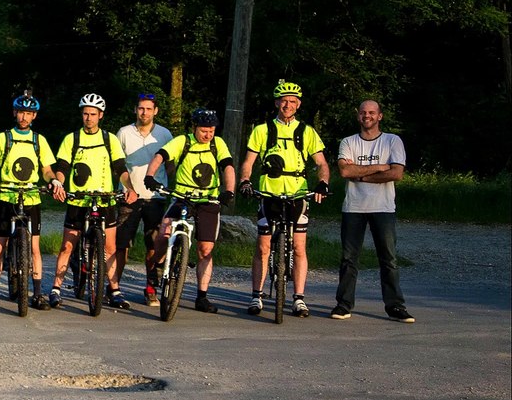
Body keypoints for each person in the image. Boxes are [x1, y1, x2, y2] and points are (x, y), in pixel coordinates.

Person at [237, 80, 331, 318]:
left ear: (298, 105)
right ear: (277, 103)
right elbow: (248, 161)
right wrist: (245, 181)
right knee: (263, 246)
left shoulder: (307, 131)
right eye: (283, 101)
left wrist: (323, 183)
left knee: (299, 247)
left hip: (298, 194)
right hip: (269, 193)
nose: (287, 105)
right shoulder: (262, 130)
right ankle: (256, 295)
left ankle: (298, 298)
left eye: (292, 102)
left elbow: (321, 163)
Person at [0, 90, 62, 309]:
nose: (24, 117)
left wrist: (53, 182)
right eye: (21, 112)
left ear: (34, 117)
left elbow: (47, 169)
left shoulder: (39, 140)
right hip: (7, 197)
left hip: (31, 198)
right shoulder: (4, 138)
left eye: (29, 113)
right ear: (15, 113)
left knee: (34, 248)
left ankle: (38, 293)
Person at [143, 108, 236, 313]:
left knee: (205, 249)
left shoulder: (217, 144)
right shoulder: (182, 142)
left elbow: (228, 167)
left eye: (211, 130)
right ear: (194, 128)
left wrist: (229, 191)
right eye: (204, 130)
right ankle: (157, 269)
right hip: (183, 198)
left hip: (209, 200)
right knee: (163, 233)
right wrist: (150, 176)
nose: (208, 134)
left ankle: (202, 296)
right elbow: (160, 156)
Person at [47, 92, 130, 310]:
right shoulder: (71, 139)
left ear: (101, 115)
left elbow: (120, 168)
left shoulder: (109, 139)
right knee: (67, 246)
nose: (89, 118)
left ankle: (114, 291)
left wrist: (129, 188)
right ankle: (56, 288)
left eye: (93, 114)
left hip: (104, 200)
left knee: (110, 248)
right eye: (85, 113)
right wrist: (58, 184)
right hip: (78, 200)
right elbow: (62, 168)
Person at [332, 100, 413, 323]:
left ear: (380, 116)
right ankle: (343, 304)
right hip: (353, 208)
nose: (367, 116)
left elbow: (396, 173)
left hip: (383, 208)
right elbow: (344, 170)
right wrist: (379, 167)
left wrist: (362, 176)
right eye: (363, 112)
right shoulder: (348, 142)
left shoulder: (392, 141)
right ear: (358, 116)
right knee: (349, 259)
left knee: (388, 259)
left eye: (371, 112)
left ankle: (395, 306)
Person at [115, 92, 175, 307]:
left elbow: (170, 163)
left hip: (155, 198)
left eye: (149, 109)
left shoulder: (164, 134)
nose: (144, 112)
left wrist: (170, 187)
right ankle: (114, 288)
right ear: (135, 110)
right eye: (141, 108)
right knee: (121, 244)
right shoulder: (124, 133)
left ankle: (150, 288)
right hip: (129, 196)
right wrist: (124, 189)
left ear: (155, 111)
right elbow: (118, 163)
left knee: (153, 243)